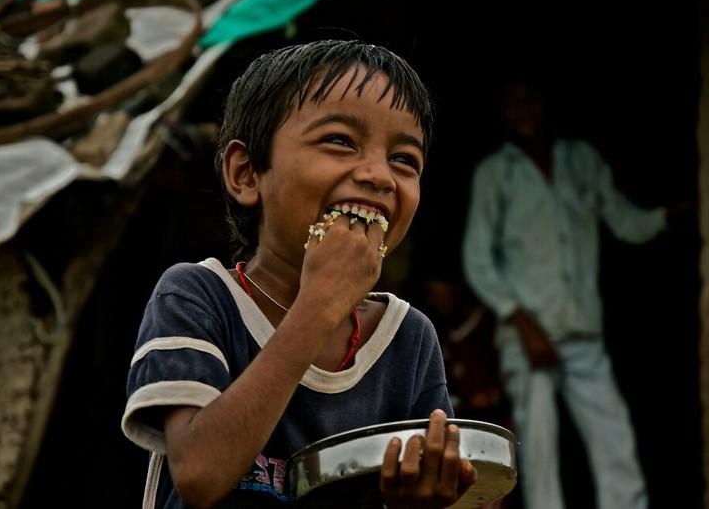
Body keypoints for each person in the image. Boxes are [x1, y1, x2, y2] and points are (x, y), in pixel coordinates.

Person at [121, 39, 477, 508]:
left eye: (404, 159)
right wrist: (321, 303)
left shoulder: (407, 339)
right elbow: (200, 473)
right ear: (247, 174)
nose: (379, 175)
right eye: (339, 141)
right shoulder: (199, 296)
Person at [462, 77, 668, 509]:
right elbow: (478, 259)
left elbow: (624, 220)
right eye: (512, 102)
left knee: (616, 442)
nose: (523, 110)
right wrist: (522, 323)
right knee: (538, 454)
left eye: (530, 98)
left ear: (545, 102)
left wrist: (672, 216)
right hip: (526, 338)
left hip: (581, 332)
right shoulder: (496, 173)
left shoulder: (582, 161)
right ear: (501, 112)